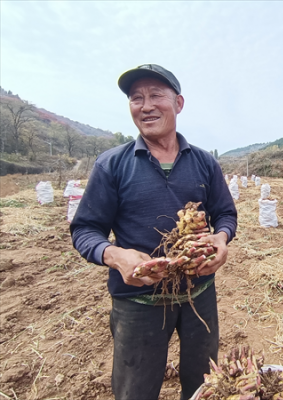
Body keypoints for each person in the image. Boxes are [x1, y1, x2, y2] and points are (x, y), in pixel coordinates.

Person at [70, 64, 238, 400]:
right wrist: (116, 256)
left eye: (155, 96)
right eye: (136, 98)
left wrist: (221, 238)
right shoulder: (111, 165)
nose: (146, 106)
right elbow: (85, 229)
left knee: (205, 385)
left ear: (178, 103)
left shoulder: (204, 162)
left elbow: (225, 214)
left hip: (198, 295)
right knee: (136, 390)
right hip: (138, 301)